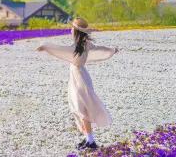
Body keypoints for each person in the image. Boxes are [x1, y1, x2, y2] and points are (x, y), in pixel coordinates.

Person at [35, 17, 118, 150]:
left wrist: (45, 46)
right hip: (82, 76)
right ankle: (88, 139)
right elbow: (99, 48)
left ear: (76, 32)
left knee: (81, 108)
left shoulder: (76, 46)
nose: (71, 29)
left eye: (72, 28)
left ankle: (91, 141)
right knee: (80, 106)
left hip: (79, 78)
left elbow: (59, 49)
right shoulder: (85, 44)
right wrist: (112, 50)